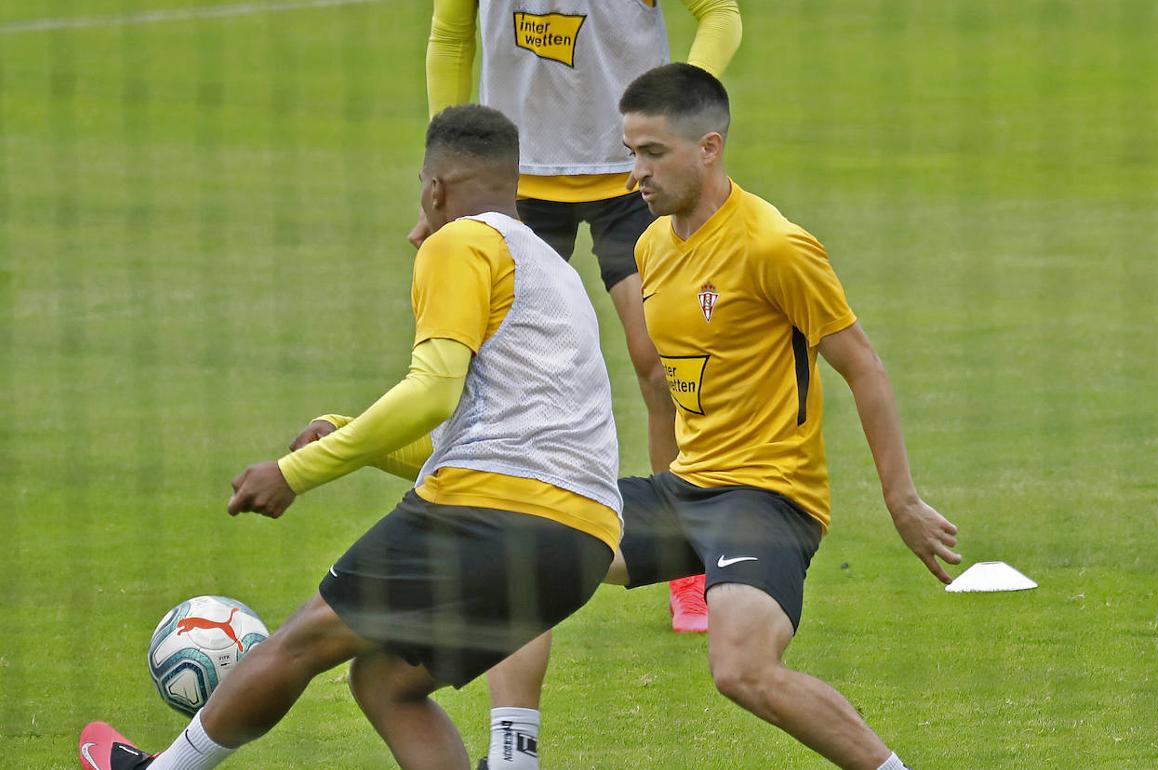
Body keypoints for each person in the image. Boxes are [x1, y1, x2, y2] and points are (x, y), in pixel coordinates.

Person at [76, 104, 623, 770]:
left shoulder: (459, 242)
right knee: (385, 680)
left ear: (434, 189)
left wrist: (294, 473)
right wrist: (348, 434)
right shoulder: (554, 273)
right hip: (583, 542)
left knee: (300, 643)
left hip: (489, 516)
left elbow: (432, 391)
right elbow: (477, 433)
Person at [471, 64, 964, 769]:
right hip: (686, 492)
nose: (633, 173)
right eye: (629, 152)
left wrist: (903, 500)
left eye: (652, 153)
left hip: (767, 499)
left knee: (741, 670)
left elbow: (864, 368)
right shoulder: (650, 246)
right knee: (520, 543)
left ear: (708, 147)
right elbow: (674, 388)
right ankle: (512, 759)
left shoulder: (774, 247)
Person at [413, 0, 744, 641]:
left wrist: (675, 117)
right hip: (511, 182)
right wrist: (444, 177)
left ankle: (686, 569)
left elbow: (721, 14)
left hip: (632, 179)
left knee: (661, 367)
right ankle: (469, 551)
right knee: (482, 372)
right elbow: (450, 36)